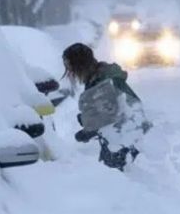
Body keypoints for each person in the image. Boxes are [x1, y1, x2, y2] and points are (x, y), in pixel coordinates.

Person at [63, 43, 151, 171]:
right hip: (127, 138)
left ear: (80, 65)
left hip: (125, 142)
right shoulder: (100, 78)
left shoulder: (103, 82)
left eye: (71, 68)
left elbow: (113, 115)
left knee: (122, 182)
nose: (71, 73)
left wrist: (88, 130)